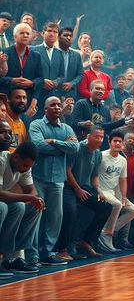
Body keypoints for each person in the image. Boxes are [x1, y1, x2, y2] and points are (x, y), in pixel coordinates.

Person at [27, 95, 79, 266]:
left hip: (58, 180)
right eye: (53, 105)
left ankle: (47, 252)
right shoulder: (36, 124)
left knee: (55, 218)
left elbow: (75, 148)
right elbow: (37, 146)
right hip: (38, 178)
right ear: (45, 109)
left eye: (59, 105)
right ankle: (32, 255)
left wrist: (55, 141)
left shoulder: (66, 128)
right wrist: (62, 147)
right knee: (35, 216)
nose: (57, 107)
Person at [57, 126, 112, 261]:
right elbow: (67, 170)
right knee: (70, 210)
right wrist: (77, 189)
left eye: (101, 137)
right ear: (88, 136)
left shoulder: (98, 154)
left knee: (106, 206)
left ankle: (86, 241)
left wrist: (99, 190)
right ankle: (62, 249)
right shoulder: (76, 148)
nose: (99, 140)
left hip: (85, 187)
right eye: (96, 136)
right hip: (69, 187)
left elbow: (94, 176)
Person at [0, 128, 44, 277]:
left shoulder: (25, 167)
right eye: (25, 166)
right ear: (16, 157)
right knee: (4, 207)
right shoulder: (2, 160)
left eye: (30, 167)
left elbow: (31, 191)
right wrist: (29, 198)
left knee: (33, 208)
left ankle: (12, 257)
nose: (27, 170)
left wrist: (34, 200)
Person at [96, 130, 134, 253]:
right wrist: (97, 190)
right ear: (109, 143)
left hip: (115, 191)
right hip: (102, 190)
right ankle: (106, 237)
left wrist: (124, 196)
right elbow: (94, 175)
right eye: (115, 141)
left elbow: (122, 180)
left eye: (120, 141)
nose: (118, 144)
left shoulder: (122, 160)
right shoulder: (101, 155)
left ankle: (106, 231)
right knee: (117, 204)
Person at [0, 23, 43, 103]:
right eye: (22, 33)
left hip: (28, 99)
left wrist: (32, 83)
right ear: (15, 36)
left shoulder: (36, 56)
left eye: (27, 33)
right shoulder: (4, 53)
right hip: (7, 99)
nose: (25, 35)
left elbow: (40, 79)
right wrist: (11, 80)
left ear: (30, 37)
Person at [32, 22, 66, 112]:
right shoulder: (33, 50)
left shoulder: (60, 53)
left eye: (55, 32)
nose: (52, 33)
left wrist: (56, 82)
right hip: (36, 95)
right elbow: (29, 72)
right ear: (43, 33)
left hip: (54, 95)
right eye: (49, 31)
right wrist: (42, 81)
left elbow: (62, 76)